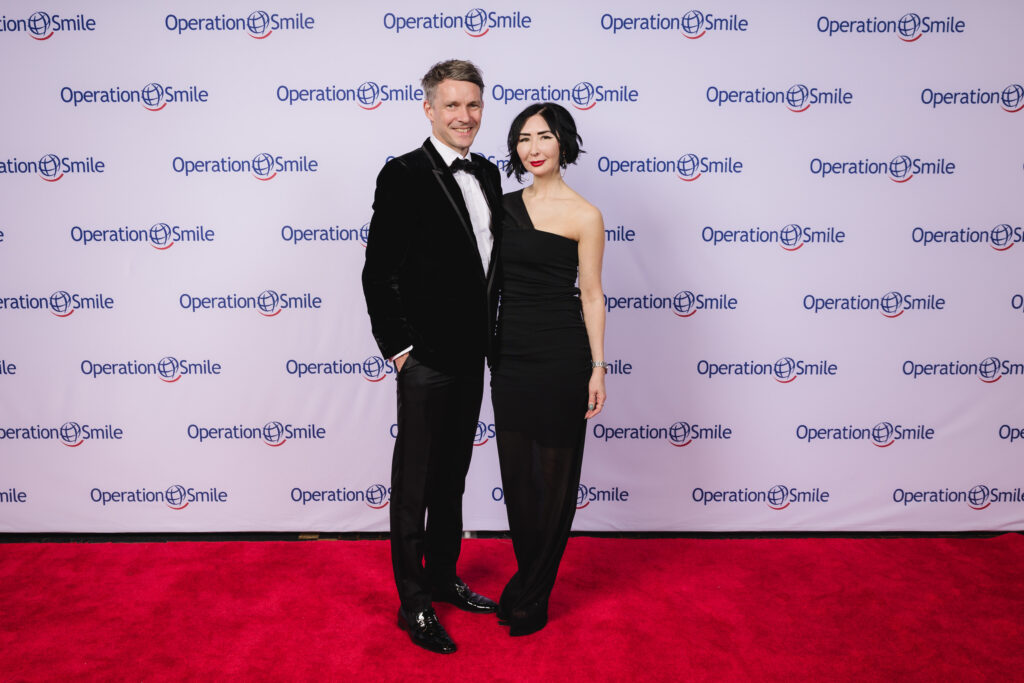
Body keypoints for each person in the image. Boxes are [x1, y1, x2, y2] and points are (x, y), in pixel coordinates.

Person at [361, 59, 503, 655]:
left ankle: (444, 575)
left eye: (472, 105)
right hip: (424, 359)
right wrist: (400, 350)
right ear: (429, 109)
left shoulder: (491, 173)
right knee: (414, 481)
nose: (464, 116)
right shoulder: (403, 173)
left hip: (475, 356)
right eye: (452, 106)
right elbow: (378, 271)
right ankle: (413, 602)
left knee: (452, 476)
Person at [490, 103, 607, 636]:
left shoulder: (585, 215)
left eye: (543, 136)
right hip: (509, 354)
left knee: (557, 480)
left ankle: (533, 595)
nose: (532, 147)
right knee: (518, 480)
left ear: (564, 143)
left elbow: (592, 295)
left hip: (562, 355)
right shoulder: (501, 205)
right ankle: (527, 577)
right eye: (522, 138)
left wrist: (598, 368)